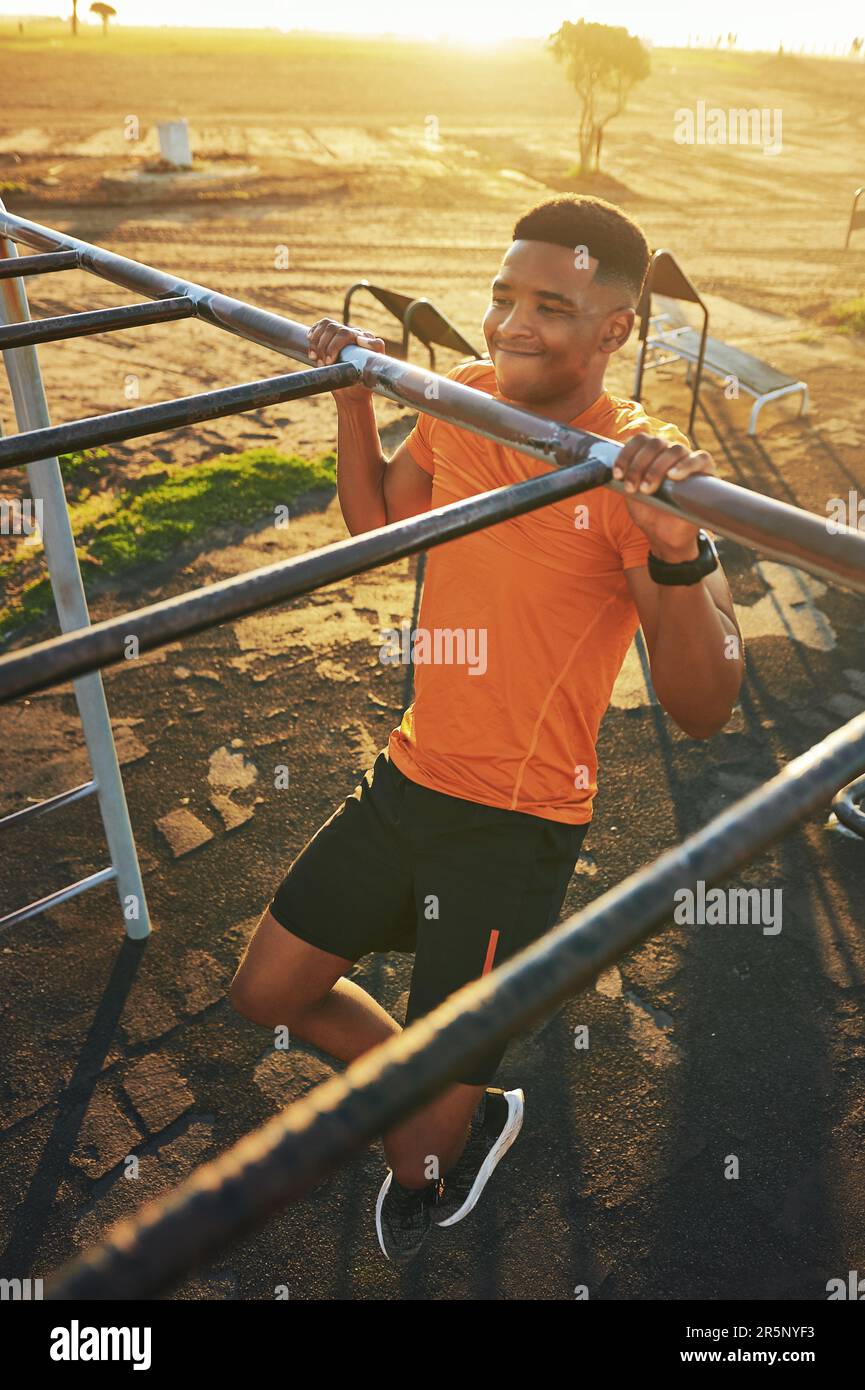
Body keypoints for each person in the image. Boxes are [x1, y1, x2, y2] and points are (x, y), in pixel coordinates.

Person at [230, 194, 744, 1264]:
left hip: (513, 825)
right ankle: (442, 1072)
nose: (512, 323)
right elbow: (380, 525)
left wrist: (679, 543)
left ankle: (449, 1121)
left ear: (615, 331)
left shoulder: (633, 466)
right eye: (503, 296)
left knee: (416, 1162)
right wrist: (355, 392)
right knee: (264, 991)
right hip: (408, 776)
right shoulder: (462, 399)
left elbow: (703, 708)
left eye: (551, 306)